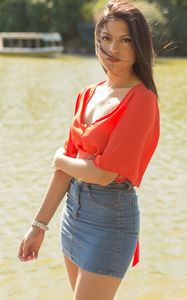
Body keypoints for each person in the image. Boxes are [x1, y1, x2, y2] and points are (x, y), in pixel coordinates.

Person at [18, 0, 160, 299]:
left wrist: (60, 158)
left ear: (140, 46)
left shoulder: (142, 100)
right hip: (73, 214)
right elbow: (67, 171)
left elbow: (104, 173)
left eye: (125, 40)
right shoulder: (88, 94)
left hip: (110, 219)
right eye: (106, 38)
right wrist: (38, 225)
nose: (113, 49)